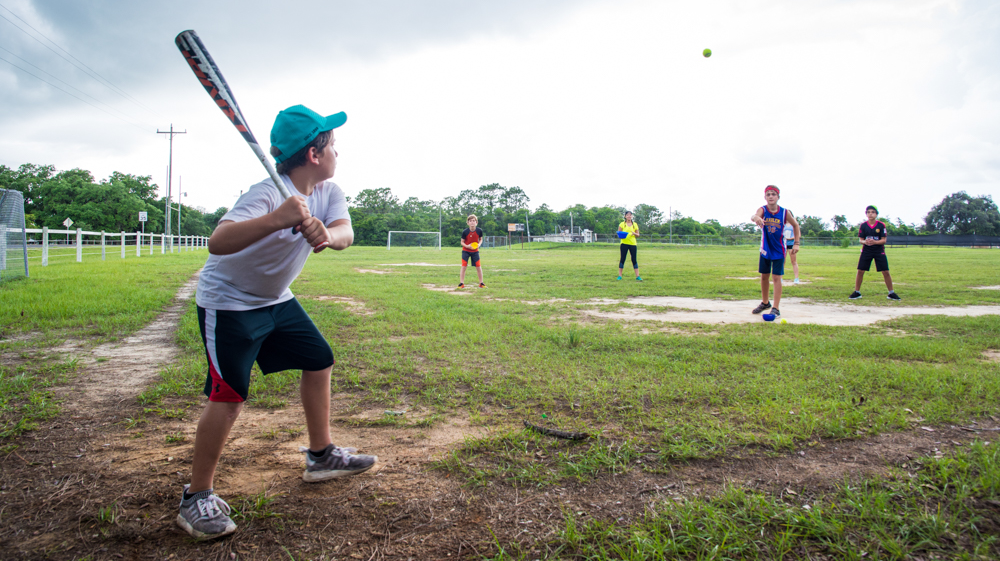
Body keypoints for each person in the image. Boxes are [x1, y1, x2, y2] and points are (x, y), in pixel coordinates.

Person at [176, 105, 377, 540]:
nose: (337, 151)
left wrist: (327, 235)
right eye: (332, 144)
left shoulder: (328, 191)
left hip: (275, 299)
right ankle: (197, 497)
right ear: (313, 153)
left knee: (318, 358)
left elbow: (346, 232)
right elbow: (218, 241)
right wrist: (277, 219)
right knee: (229, 396)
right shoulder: (268, 194)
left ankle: (321, 455)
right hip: (228, 303)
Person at [750, 185, 800, 317]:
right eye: (768, 194)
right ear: (765, 197)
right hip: (765, 249)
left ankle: (776, 308)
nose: (771, 196)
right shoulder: (763, 209)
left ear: (778, 197)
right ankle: (765, 303)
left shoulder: (784, 212)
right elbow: (755, 216)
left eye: (773, 194)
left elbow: (795, 225)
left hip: (779, 250)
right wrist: (757, 218)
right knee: (764, 276)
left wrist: (796, 243)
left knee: (777, 277)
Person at [849, 205, 900, 300]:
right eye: (868, 212)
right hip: (867, 250)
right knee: (860, 270)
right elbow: (861, 240)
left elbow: (883, 240)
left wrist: (875, 242)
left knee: (885, 271)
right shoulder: (863, 225)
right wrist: (865, 242)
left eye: (872, 212)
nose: (870, 214)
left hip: (878, 250)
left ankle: (891, 293)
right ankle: (857, 292)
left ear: (876, 214)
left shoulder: (881, 225)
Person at [459, 215, 485, 288]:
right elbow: (462, 242)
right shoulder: (465, 232)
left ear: (476, 222)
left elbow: (481, 239)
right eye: (470, 221)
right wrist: (468, 246)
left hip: (475, 251)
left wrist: (479, 245)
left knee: (478, 266)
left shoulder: (479, 230)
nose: (472, 222)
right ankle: (461, 283)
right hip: (466, 251)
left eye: (473, 221)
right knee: (464, 266)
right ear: (468, 223)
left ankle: (481, 283)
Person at [617, 211, 642, 281]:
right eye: (627, 215)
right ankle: (620, 276)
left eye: (630, 215)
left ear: (632, 216)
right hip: (624, 244)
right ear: (625, 216)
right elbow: (619, 234)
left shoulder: (635, 224)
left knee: (634, 259)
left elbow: (638, 235)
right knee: (622, 259)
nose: (629, 216)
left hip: (633, 244)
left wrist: (634, 233)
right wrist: (622, 236)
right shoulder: (622, 224)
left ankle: (638, 276)